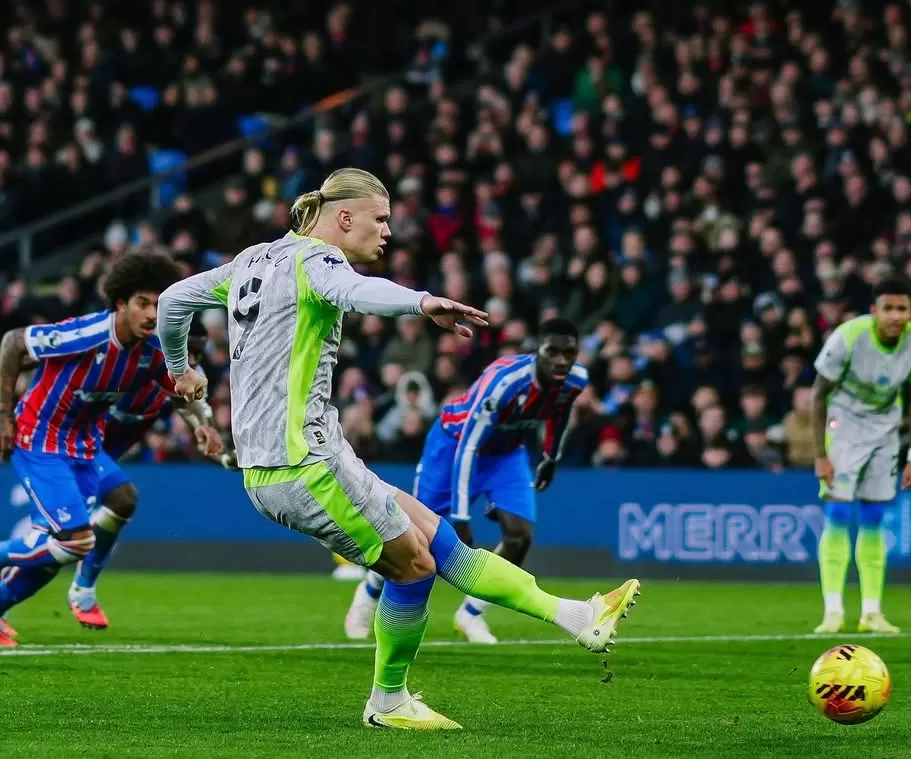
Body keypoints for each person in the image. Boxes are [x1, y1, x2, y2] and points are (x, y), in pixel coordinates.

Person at [155, 168, 640, 731]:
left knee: (441, 542)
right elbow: (358, 290)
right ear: (344, 218)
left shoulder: (252, 261)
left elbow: (173, 299)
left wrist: (178, 369)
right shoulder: (318, 261)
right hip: (299, 465)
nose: (387, 232)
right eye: (380, 219)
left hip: (319, 456)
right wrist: (423, 301)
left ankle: (579, 617)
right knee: (414, 569)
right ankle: (388, 701)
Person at [0, 251, 219, 648]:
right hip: (40, 437)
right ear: (120, 302)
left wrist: (204, 423)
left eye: (159, 304)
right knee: (72, 541)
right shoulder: (88, 334)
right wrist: (3, 416)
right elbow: (13, 342)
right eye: (143, 303)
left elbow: (180, 388)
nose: (153, 314)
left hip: (84, 448)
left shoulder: (154, 352)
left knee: (57, 550)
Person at [346, 317, 588, 644]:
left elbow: (558, 413)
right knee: (410, 535)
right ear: (536, 351)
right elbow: (468, 446)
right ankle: (370, 590)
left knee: (519, 536)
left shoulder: (576, 379)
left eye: (568, 353)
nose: (561, 360)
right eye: (553, 351)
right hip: (452, 444)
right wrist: (461, 515)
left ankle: (471, 614)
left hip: (506, 451)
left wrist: (550, 457)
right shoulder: (504, 381)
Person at [65, 319, 225, 629]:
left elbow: (195, 410)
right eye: (187, 351)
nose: (193, 361)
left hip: (99, 459)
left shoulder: (184, 380)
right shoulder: (135, 366)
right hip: (70, 447)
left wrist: (210, 434)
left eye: (199, 354)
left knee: (60, 539)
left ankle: (80, 587)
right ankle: (82, 588)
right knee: (118, 503)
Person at [810, 276, 911, 636]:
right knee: (837, 511)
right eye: (888, 308)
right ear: (874, 311)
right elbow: (818, 396)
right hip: (844, 421)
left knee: (874, 516)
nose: (895, 316)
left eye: (902, 309)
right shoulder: (848, 337)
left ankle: (871, 613)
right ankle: (833, 611)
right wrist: (820, 454)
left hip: (885, 427)